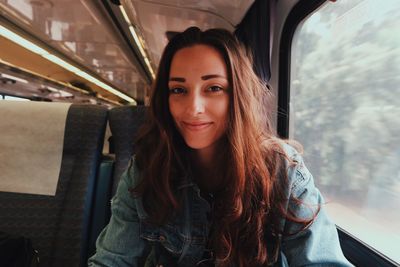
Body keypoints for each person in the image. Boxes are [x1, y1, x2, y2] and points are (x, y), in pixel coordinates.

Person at [88, 27, 351, 267]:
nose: (194, 108)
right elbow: (112, 261)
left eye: (213, 88)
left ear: (238, 95)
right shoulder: (147, 168)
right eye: (179, 90)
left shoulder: (284, 172)